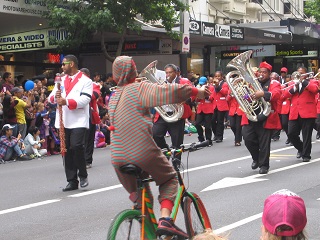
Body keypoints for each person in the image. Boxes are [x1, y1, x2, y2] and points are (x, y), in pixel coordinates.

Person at [108, 56, 210, 238]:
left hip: (117, 157)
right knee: (169, 180)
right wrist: (197, 91)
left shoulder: (114, 96)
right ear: (132, 71)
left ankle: (144, 222)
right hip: (141, 150)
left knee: (142, 200)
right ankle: (165, 220)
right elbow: (170, 92)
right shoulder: (139, 89)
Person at [48, 54, 93, 192]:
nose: (62, 67)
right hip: (63, 120)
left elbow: (85, 100)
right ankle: (72, 180)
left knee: (77, 145)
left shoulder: (86, 81)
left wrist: (66, 102)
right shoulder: (60, 80)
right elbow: (51, 98)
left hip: (78, 120)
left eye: (63, 64)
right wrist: (54, 99)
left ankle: (83, 174)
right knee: (66, 150)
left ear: (71, 64)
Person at [241, 61, 281, 174]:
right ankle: (256, 158)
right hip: (251, 115)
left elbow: (277, 94)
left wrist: (263, 93)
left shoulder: (274, 83)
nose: (261, 74)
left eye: (264, 72)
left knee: (264, 143)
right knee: (248, 139)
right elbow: (246, 96)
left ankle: (264, 165)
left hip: (265, 116)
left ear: (269, 73)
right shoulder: (252, 82)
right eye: (260, 72)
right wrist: (246, 96)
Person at [152, 63, 193, 163]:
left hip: (177, 114)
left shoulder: (184, 81)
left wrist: (185, 99)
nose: (168, 75)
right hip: (163, 114)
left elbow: (192, 93)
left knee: (177, 141)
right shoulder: (160, 82)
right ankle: (166, 150)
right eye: (166, 73)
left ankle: (176, 162)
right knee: (155, 134)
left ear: (176, 73)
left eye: (170, 72)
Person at [282, 66, 318, 162]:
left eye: (301, 73)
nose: (299, 75)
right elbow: (284, 95)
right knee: (291, 134)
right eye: (298, 73)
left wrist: (303, 82)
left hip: (307, 112)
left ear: (305, 74)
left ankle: (306, 155)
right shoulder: (292, 83)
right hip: (294, 112)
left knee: (306, 136)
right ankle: (301, 148)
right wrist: (295, 87)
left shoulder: (311, 81)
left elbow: (315, 90)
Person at [80, 68, 101, 169]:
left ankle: (87, 160)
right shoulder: (77, 85)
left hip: (90, 115)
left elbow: (94, 95)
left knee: (89, 139)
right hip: (78, 116)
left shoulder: (94, 85)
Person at [194, 76, 214, 146]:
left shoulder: (211, 87)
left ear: (206, 82)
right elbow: (197, 99)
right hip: (201, 108)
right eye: (201, 84)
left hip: (208, 109)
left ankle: (209, 140)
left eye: (203, 83)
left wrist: (206, 95)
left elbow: (212, 98)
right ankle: (201, 138)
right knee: (197, 124)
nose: (202, 85)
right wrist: (197, 97)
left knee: (208, 126)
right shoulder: (199, 88)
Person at [211, 71, 229, 143]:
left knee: (220, 121)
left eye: (219, 76)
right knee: (212, 120)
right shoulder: (213, 84)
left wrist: (218, 86)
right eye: (216, 76)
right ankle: (215, 134)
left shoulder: (224, 84)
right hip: (214, 104)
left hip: (222, 104)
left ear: (222, 77)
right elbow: (212, 94)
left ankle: (219, 136)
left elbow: (225, 92)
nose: (217, 77)